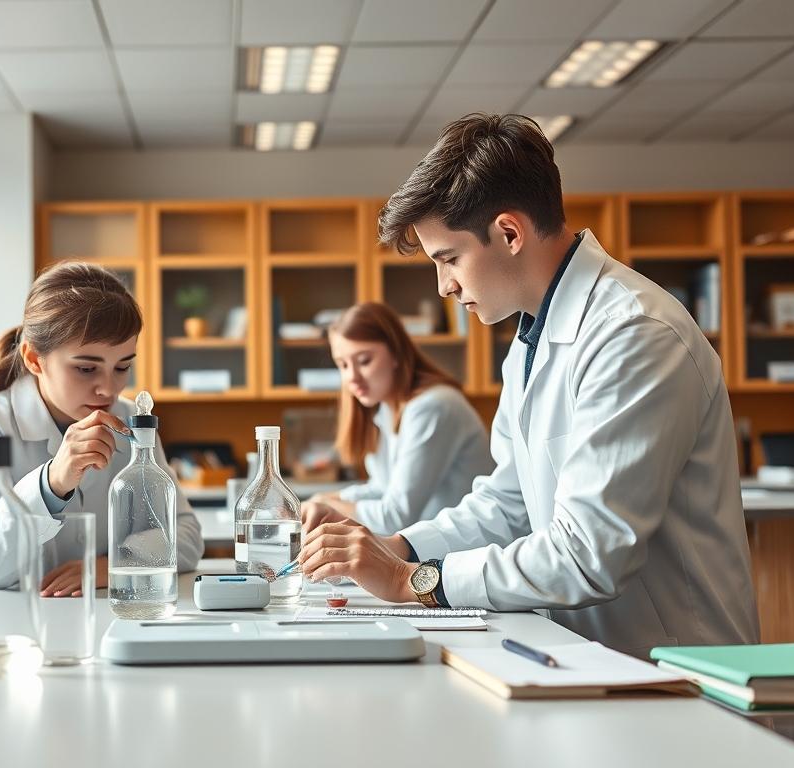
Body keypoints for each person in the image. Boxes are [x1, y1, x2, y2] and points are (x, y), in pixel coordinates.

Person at [298, 114, 758, 656]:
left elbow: (588, 555)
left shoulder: (633, 333)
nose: (444, 286)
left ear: (509, 233)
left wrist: (413, 581)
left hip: (674, 666)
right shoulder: (530, 341)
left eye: (449, 259)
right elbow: (508, 505)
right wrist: (398, 547)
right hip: (585, 655)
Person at [0, 262, 203, 600]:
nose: (108, 389)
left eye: (122, 366)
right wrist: (52, 482)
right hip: (8, 619)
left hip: (102, 614)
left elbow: (186, 535)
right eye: (86, 368)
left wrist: (111, 565)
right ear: (34, 359)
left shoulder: (130, 419)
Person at [301, 302, 493, 536]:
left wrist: (329, 506)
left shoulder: (433, 407)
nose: (352, 377)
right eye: (343, 364)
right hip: (437, 545)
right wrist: (327, 498)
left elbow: (395, 517)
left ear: (395, 353)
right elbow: (383, 487)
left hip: (471, 548)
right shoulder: (386, 408)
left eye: (364, 361)